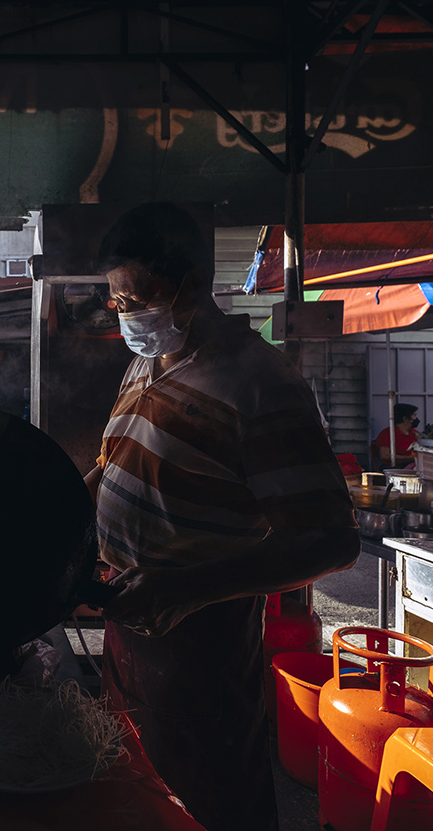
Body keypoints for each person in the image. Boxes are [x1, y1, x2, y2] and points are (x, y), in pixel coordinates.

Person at [84, 203, 358, 831]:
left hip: (201, 632)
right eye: (117, 302)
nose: (126, 315)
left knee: (206, 796)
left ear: (188, 284)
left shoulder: (262, 384)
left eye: (136, 298)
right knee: (129, 785)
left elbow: (331, 538)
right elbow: (114, 459)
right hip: (131, 617)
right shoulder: (147, 361)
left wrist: (186, 586)